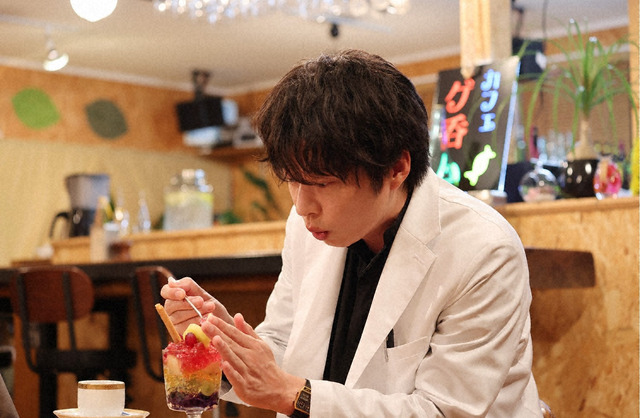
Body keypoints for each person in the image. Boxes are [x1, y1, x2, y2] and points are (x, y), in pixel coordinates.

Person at [162, 49, 541, 417]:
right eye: (292, 180)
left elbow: (442, 411)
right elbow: (284, 344)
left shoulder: (484, 250)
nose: (302, 206)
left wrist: (290, 394)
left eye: (322, 183)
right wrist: (228, 343)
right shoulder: (307, 227)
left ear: (396, 168)